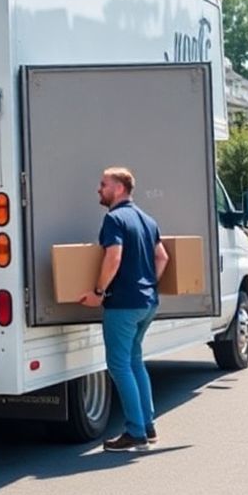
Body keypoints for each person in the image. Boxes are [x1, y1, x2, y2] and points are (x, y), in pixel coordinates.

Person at [78, 167, 169, 453]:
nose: (98, 189)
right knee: (134, 361)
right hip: (147, 303)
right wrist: (148, 283)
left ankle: (135, 432)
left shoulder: (114, 219)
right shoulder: (147, 219)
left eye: (103, 184)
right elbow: (162, 257)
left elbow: (113, 257)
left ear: (118, 188)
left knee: (119, 365)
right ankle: (148, 426)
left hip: (123, 305)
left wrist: (98, 293)